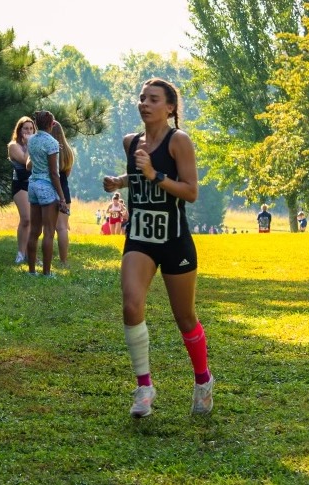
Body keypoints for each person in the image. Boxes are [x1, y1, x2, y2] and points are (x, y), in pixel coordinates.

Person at [102, 77, 213, 418]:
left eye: (153, 99)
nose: (145, 104)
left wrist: (153, 175)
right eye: (142, 98)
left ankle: (203, 381)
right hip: (140, 237)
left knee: (185, 318)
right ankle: (144, 388)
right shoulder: (130, 141)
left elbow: (191, 191)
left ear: (169, 108)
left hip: (173, 239)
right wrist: (119, 182)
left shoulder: (179, 141)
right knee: (131, 305)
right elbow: (136, 175)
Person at [25, 110, 68, 277]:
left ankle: (31, 271)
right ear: (51, 124)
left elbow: (35, 159)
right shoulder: (52, 142)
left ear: (35, 124)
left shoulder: (31, 140)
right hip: (47, 188)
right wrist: (62, 197)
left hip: (33, 185)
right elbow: (54, 173)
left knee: (34, 231)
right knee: (49, 232)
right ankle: (47, 272)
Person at [9, 116, 35, 264]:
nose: (28, 131)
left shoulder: (33, 144)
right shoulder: (13, 146)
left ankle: (31, 254)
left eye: (31, 129)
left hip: (34, 184)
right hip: (20, 184)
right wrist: (29, 145)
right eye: (25, 128)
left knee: (35, 221)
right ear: (19, 130)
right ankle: (21, 252)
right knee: (26, 219)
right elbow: (26, 162)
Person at [51, 120, 74, 266]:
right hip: (64, 190)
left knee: (49, 227)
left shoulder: (49, 149)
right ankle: (63, 259)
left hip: (51, 188)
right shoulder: (68, 151)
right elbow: (67, 173)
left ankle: (49, 255)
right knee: (63, 227)